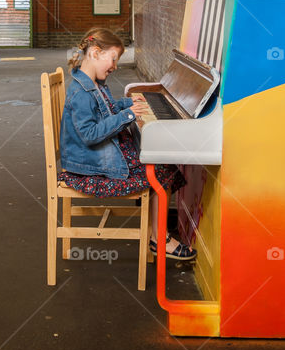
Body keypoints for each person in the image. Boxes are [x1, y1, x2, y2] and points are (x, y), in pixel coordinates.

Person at [58, 27, 196, 261]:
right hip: (88, 170)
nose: (114, 66)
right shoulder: (81, 92)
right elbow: (90, 134)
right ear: (95, 53)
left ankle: (155, 230)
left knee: (161, 165)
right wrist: (127, 115)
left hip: (94, 159)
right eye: (112, 59)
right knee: (162, 171)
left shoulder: (92, 84)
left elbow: (105, 109)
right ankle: (158, 239)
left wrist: (126, 104)